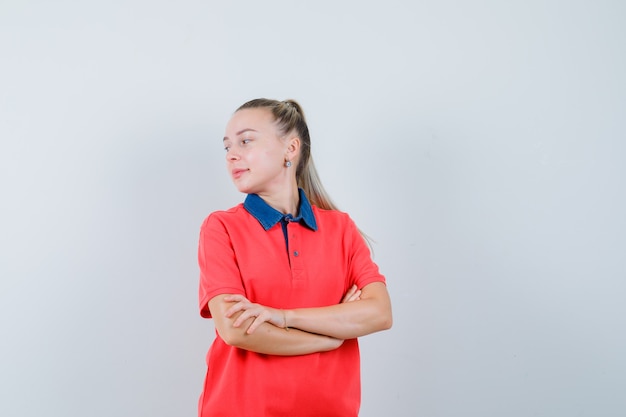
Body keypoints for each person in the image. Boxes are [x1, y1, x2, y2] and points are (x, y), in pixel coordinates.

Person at [197, 98, 393, 417]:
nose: (232, 154)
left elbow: (379, 313)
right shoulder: (221, 228)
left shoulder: (341, 228)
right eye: (227, 146)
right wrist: (330, 338)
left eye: (246, 141)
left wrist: (283, 318)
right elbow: (235, 330)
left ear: (290, 148)